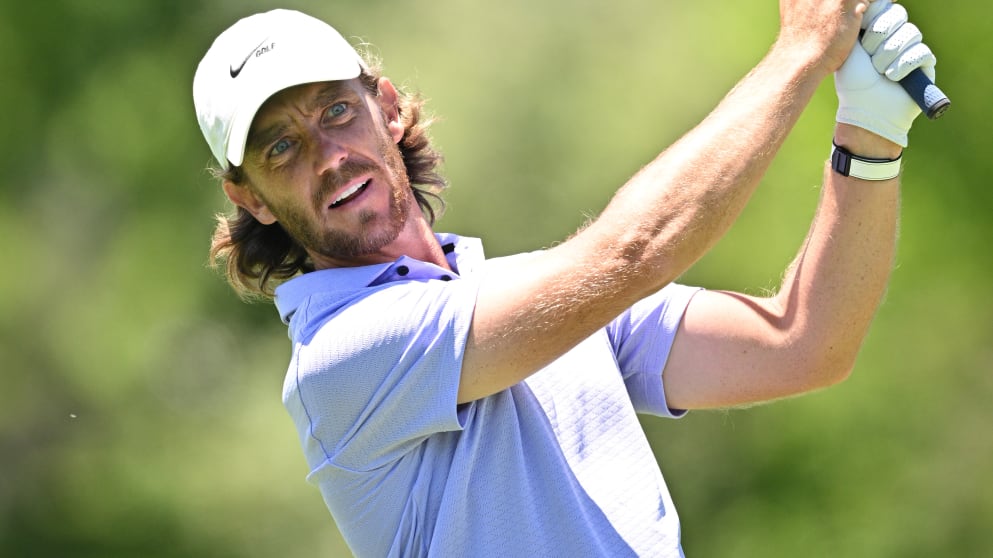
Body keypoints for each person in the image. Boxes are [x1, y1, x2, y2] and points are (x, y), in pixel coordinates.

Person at [192, 1, 936, 555]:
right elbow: (631, 253)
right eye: (281, 147)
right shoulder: (339, 359)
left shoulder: (531, 297)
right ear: (251, 199)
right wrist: (801, 50)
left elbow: (804, 344)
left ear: (385, 108)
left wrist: (869, 134)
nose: (327, 156)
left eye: (336, 111)